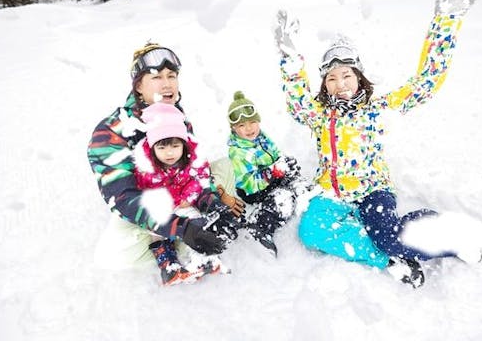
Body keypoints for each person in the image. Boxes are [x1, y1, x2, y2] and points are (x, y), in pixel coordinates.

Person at [273, 0, 482, 287]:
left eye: (347, 75)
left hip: (372, 189)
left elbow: (424, 83)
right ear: (325, 85)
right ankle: (386, 259)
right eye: (331, 78)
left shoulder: (377, 108)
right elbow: (296, 100)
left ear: (359, 77)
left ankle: (446, 234)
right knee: (311, 231)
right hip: (332, 193)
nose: (340, 84)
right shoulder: (319, 114)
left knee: (388, 236)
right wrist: (290, 58)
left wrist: (447, 20)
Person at [87, 43, 244, 274]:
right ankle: (175, 244)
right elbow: (123, 198)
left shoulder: (178, 118)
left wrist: (213, 203)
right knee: (111, 258)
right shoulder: (112, 130)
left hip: (183, 194)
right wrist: (181, 228)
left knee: (225, 167)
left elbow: (195, 169)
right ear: (138, 86)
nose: (167, 83)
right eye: (157, 77)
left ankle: (197, 235)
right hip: (151, 209)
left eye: (172, 76)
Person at [133, 102, 242, 285]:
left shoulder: (192, 157)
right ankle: (168, 266)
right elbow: (150, 193)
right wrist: (175, 203)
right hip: (163, 210)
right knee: (157, 230)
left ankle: (202, 257)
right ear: (152, 148)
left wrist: (196, 200)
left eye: (175, 146)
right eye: (162, 148)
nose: (169, 153)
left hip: (185, 204)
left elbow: (199, 179)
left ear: (183, 144)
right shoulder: (147, 166)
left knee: (195, 221)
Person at [227, 91, 313, 256]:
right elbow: (249, 183)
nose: (249, 128)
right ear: (234, 128)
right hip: (253, 190)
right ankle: (260, 225)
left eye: (252, 122)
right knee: (283, 197)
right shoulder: (237, 152)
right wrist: (271, 172)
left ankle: (304, 194)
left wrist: (283, 162)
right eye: (242, 125)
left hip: (270, 175)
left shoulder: (261, 137)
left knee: (293, 179)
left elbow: (273, 152)